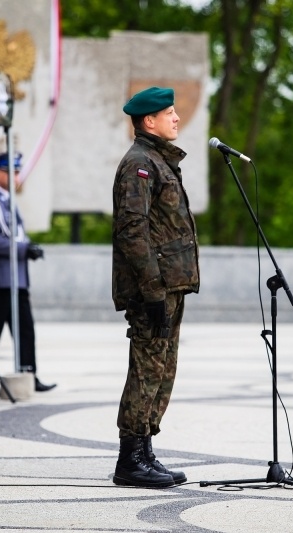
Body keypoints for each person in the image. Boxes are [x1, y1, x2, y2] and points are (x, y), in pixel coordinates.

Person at [111, 86, 200, 488]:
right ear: (149, 121)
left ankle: (145, 450)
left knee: (162, 370)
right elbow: (132, 231)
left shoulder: (158, 161)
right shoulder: (140, 165)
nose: (177, 117)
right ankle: (130, 459)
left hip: (169, 285)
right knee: (146, 370)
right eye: (169, 113)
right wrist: (151, 291)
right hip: (154, 288)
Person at [0, 152, 56, 397]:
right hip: (1, 279)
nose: (16, 176)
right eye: (11, 171)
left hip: (16, 278)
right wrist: (23, 249)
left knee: (25, 329)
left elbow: (15, 236)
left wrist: (29, 248)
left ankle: (28, 374)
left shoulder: (9, 201)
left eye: (17, 171)